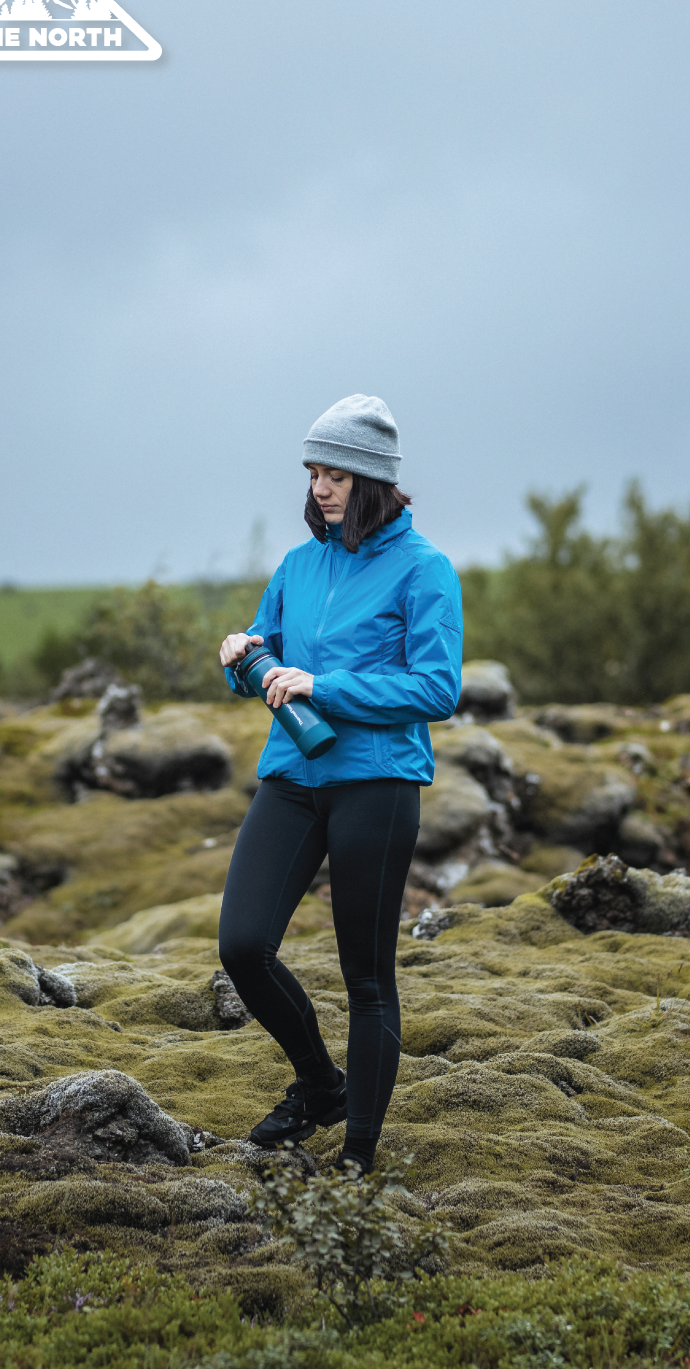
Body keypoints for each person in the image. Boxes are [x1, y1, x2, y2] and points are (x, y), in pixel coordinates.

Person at [217, 393, 463, 1175]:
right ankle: (321, 1085)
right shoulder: (298, 566)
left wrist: (324, 686)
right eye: (314, 473)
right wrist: (242, 659)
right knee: (243, 945)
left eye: (336, 475)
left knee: (367, 976)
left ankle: (358, 1154)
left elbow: (437, 688)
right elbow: (269, 668)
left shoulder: (424, 569)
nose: (320, 488)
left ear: (373, 481)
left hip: (377, 784)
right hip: (293, 776)